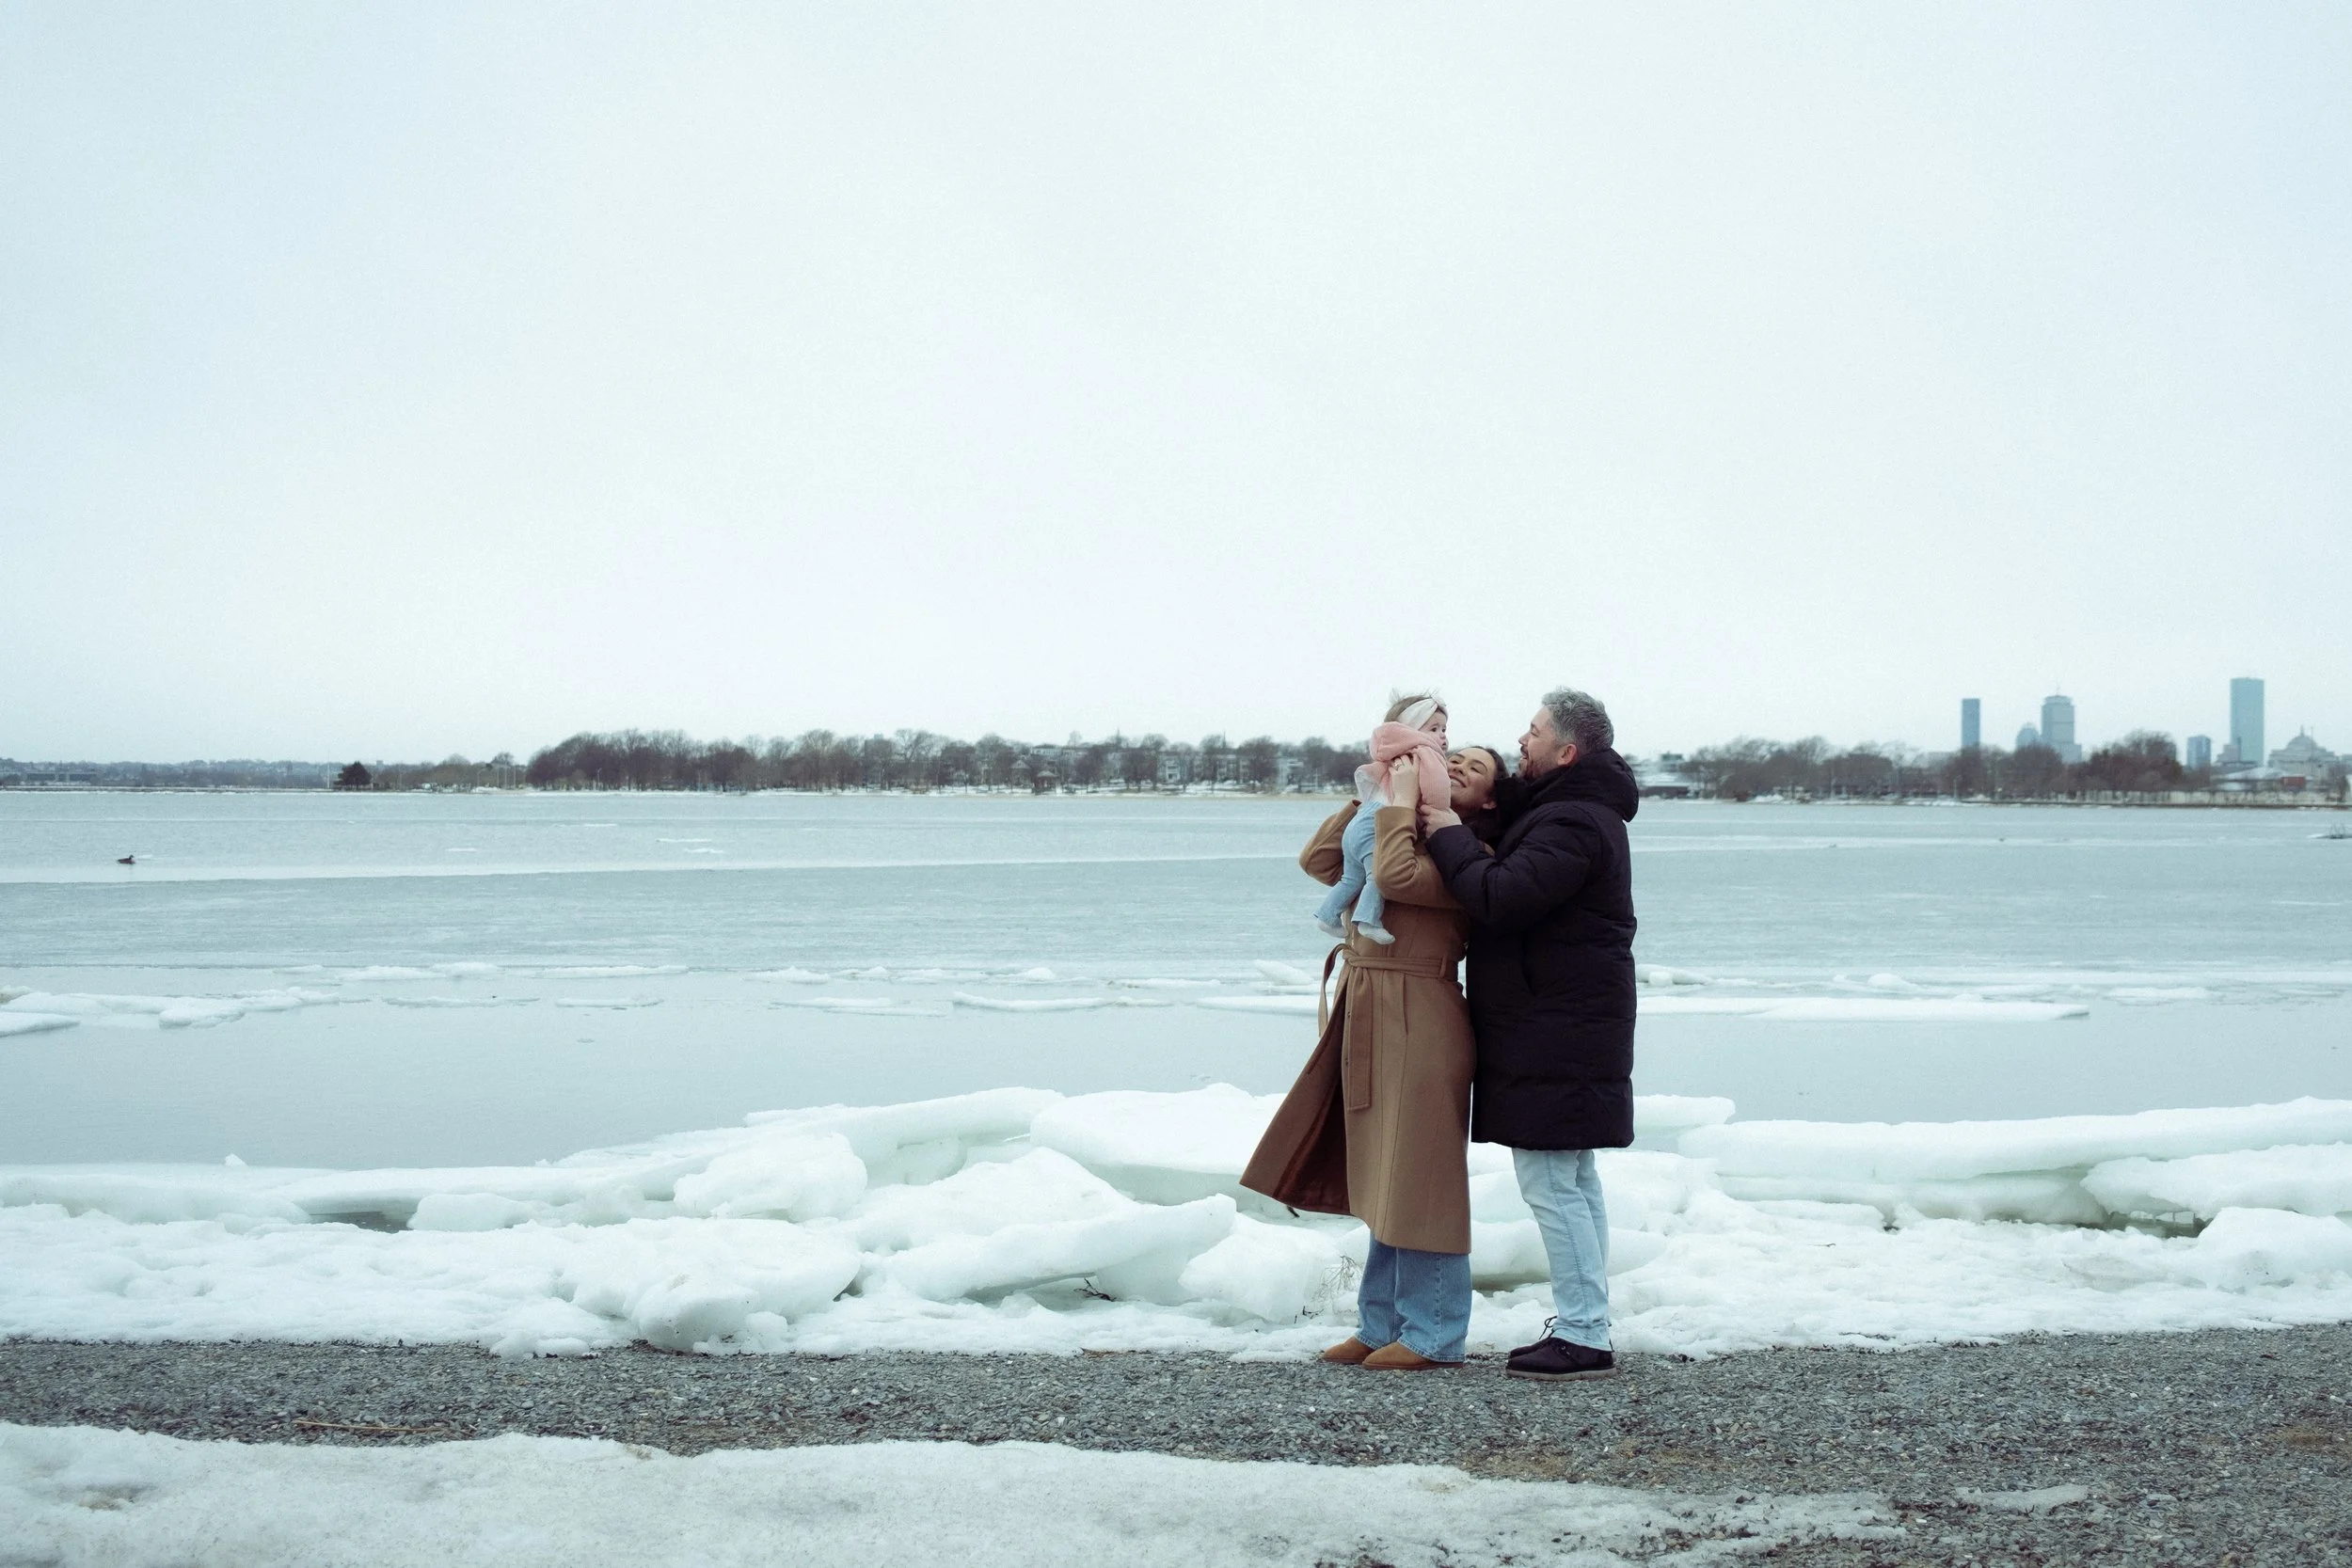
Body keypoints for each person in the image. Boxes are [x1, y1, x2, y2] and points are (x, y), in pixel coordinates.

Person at [1242, 741, 1504, 1370]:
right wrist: (1377, 792)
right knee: (1384, 1175)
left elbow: (1396, 878)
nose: (1453, 765)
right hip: (1371, 1003)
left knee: (1422, 1178)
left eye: (1472, 769)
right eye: (1452, 756)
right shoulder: (1388, 824)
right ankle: (1381, 1320)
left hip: (1423, 1006)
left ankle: (1435, 1332)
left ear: (1488, 799)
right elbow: (1318, 860)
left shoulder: (1473, 852)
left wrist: (1405, 807)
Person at [1418, 688, 1639, 1383]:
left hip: (1558, 1027)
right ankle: (1586, 1323)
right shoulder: (1568, 811)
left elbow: (1501, 895)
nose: (1521, 739)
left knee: (1551, 1179)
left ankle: (1582, 1334)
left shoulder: (1573, 820)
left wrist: (1446, 834)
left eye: (1534, 732)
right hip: (1563, 1022)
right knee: (1572, 1177)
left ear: (1566, 751)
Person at [1312, 696, 1452, 944]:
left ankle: (1327, 915)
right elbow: (1436, 788)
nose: (1442, 736)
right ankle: (1368, 919)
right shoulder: (1424, 753)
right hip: (1378, 826)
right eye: (1433, 729)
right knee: (1378, 875)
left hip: (1360, 820)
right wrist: (1440, 809)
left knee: (1352, 878)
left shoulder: (1390, 755)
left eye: (1444, 729)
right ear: (1410, 730)